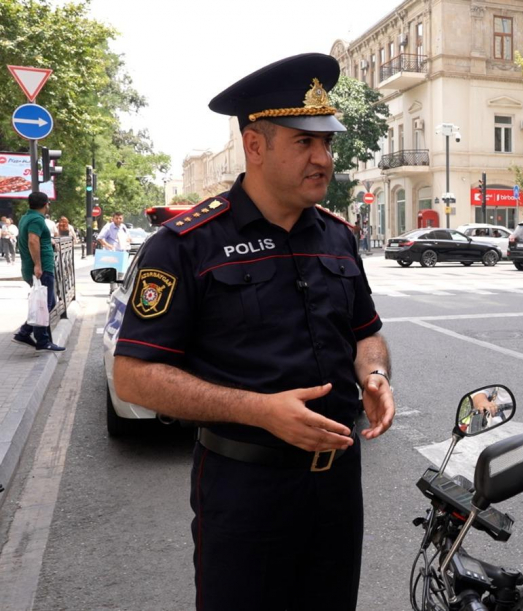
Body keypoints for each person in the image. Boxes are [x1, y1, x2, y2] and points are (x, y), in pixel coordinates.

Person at [110, 53, 394, 611]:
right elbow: (133, 377)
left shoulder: (338, 237)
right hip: (245, 489)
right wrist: (259, 410)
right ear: (255, 146)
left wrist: (376, 374)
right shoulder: (185, 244)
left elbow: (366, 332)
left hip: (337, 486)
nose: (323, 158)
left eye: (327, 143)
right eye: (304, 142)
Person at [12, 192, 65, 352]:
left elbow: (37, 239)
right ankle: (40, 340)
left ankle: (27, 332)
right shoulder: (36, 219)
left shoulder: (25, 217)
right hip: (41, 269)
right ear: (46, 204)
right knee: (44, 305)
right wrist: (38, 265)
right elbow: (33, 240)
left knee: (47, 303)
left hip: (35, 267)